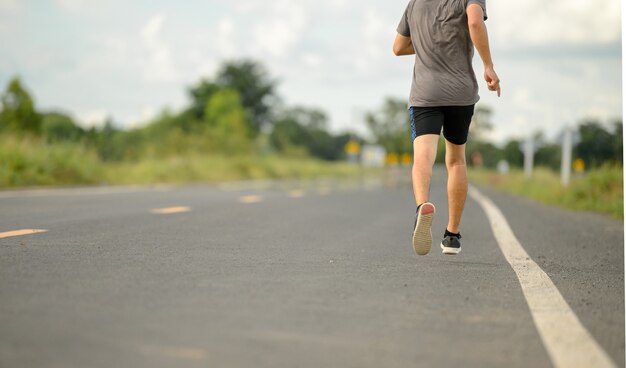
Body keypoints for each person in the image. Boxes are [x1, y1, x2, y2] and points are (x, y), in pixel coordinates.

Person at [393, 0, 500, 256]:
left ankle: (422, 206)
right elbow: (474, 21)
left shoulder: (415, 4)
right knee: (456, 161)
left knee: (423, 159)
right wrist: (488, 65)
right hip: (460, 92)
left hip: (425, 94)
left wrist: (427, 44)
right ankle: (452, 235)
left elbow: (398, 47)